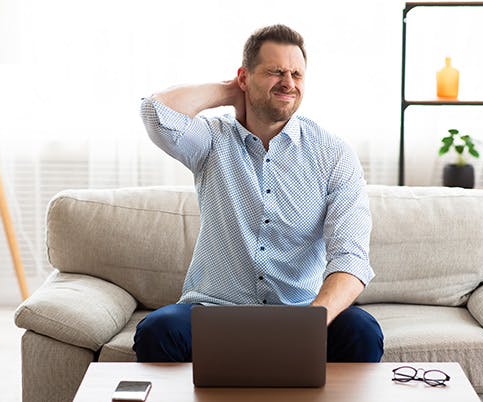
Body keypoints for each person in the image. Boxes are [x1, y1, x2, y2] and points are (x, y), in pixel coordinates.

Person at [134, 24, 383, 363]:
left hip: (302, 313)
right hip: (214, 311)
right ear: (245, 77)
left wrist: (311, 323)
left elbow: (351, 259)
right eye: (275, 72)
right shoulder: (211, 141)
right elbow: (155, 112)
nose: (289, 83)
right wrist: (227, 90)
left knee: (362, 332)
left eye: (297, 74)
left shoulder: (333, 154)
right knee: (158, 329)